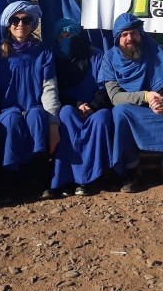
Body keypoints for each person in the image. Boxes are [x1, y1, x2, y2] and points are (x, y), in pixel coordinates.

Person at [98, 13, 163, 192]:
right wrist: (145, 96)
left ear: (141, 33)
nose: (129, 38)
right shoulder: (110, 59)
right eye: (124, 35)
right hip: (134, 110)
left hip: (160, 108)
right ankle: (132, 169)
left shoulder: (159, 52)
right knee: (120, 112)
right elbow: (115, 97)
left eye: (133, 33)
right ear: (117, 38)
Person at [0, 1, 60, 198]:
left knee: (37, 116)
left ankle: (38, 179)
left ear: (33, 24)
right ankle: (10, 181)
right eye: (15, 20)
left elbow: (49, 88)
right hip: (4, 110)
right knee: (12, 120)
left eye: (26, 20)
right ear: (8, 24)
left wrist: (53, 122)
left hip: (33, 106)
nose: (20, 24)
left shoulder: (43, 52)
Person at [49, 18, 114, 196]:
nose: (66, 39)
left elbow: (106, 87)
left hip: (95, 107)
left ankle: (92, 178)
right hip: (69, 105)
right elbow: (52, 89)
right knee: (66, 114)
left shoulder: (97, 56)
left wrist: (92, 106)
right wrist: (75, 103)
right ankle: (67, 178)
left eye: (70, 35)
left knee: (101, 120)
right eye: (61, 36)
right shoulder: (52, 58)